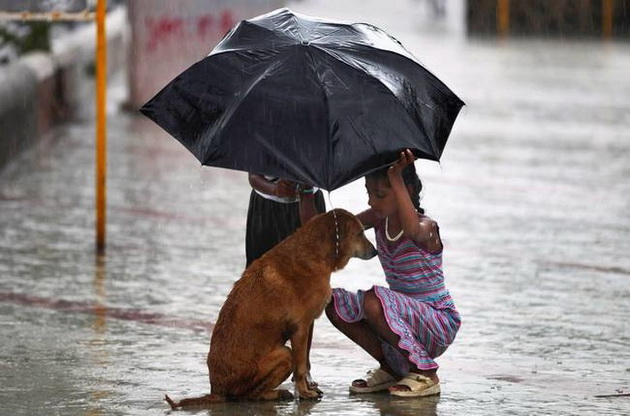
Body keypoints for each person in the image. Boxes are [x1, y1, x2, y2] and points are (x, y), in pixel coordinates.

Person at [325, 149, 460, 398]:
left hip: (436, 322)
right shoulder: (379, 218)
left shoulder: (426, 227)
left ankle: (426, 372)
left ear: (405, 191)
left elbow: (412, 230)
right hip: (397, 320)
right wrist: (307, 192)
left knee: (373, 300)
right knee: (330, 301)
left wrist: (396, 175)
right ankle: (391, 367)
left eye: (380, 194)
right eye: (369, 193)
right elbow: (334, 231)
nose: (371, 202)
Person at [245, 174, 326, 267]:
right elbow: (253, 176)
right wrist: (275, 189)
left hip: (310, 200)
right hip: (267, 207)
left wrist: (306, 189)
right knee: (260, 271)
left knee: (312, 267)